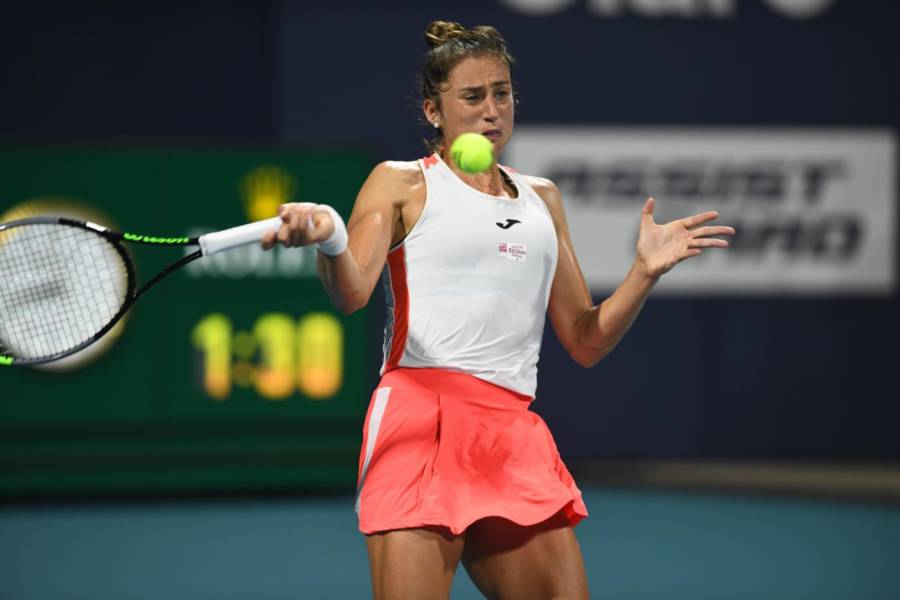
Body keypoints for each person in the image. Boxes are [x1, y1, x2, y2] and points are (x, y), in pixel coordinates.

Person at [261, 20, 734, 600]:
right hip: (421, 419)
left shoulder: (543, 199)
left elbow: (585, 339)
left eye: (502, 93)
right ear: (434, 111)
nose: (491, 110)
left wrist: (643, 273)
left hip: (510, 429)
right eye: (472, 96)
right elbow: (352, 291)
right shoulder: (400, 183)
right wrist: (331, 239)